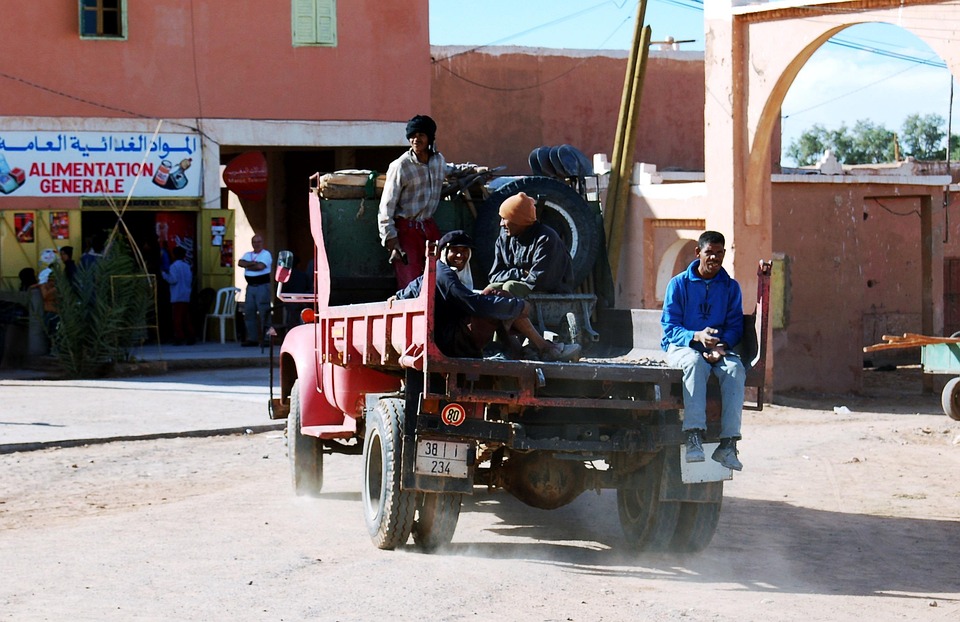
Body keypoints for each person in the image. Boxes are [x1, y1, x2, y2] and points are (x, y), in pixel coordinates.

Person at [393, 230, 581, 361]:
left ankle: (523, 350)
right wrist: (517, 306)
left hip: (447, 336)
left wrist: (396, 298)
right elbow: (473, 304)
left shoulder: (436, 272)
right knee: (502, 300)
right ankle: (543, 347)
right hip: (450, 343)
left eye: (465, 251)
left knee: (496, 295)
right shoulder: (445, 276)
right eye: (455, 251)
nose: (460, 256)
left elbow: (411, 290)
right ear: (444, 252)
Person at [660, 231, 745, 471]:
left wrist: (721, 346)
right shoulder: (678, 284)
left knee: (735, 369)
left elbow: (735, 325)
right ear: (698, 253)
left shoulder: (730, 287)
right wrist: (696, 336)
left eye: (719, 254)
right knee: (695, 364)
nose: (714, 258)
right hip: (682, 347)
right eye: (709, 253)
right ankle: (694, 436)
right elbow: (669, 328)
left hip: (717, 349)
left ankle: (728, 445)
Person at [378, 114, 477, 289]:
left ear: (430, 138)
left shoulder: (438, 161)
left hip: (429, 227)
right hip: (406, 231)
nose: (416, 139)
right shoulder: (400, 166)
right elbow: (386, 207)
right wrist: (392, 242)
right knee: (411, 283)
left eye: (421, 135)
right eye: (412, 136)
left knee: (440, 275)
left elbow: (451, 170)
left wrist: (475, 170)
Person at [486, 191, 575, 296]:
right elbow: (494, 276)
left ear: (519, 220)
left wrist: (515, 278)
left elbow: (540, 280)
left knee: (510, 287)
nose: (501, 224)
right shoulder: (504, 240)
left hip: (551, 291)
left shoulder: (546, 238)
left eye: (505, 219)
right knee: (491, 289)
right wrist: (522, 273)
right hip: (526, 284)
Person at [238, 233, 273, 347]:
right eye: (254, 242)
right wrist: (253, 263)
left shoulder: (266, 254)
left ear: (262, 243)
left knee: (264, 313)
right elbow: (240, 263)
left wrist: (248, 265)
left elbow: (260, 267)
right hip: (250, 287)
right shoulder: (248, 254)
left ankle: (267, 338)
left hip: (262, 286)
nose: (257, 244)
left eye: (259, 242)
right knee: (249, 313)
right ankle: (252, 338)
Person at [161, 246, 195, 345]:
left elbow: (173, 280)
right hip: (186, 294)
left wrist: (164, 275)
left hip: (177, 294)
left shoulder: (174, 266)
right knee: (186, 317)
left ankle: (179, 337)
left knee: (177, 318)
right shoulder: (187, 266)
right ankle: (191, 335)